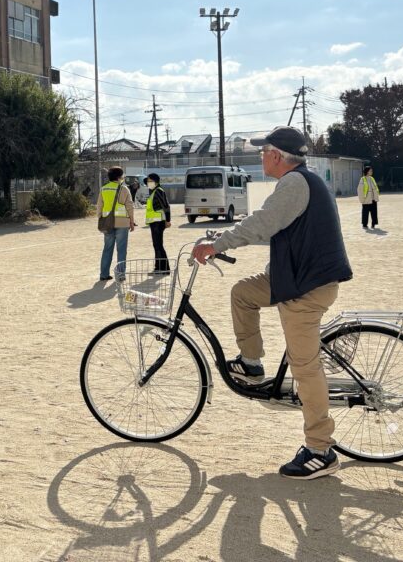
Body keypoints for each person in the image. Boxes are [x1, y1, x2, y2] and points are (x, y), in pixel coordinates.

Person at [192, 126, 353, 480]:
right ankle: (251, 363)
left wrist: (217, 245)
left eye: (264, 152)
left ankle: (320, 450)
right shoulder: (301, 181)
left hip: (306, 287)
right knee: (243, 293)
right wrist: (224, 239)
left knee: (304, 367)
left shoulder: (295, 183)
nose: (260, 156)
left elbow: (264, 223)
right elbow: (283, 230)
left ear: (277, 155)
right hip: (294, 278)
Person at [97, 166, 135, 282]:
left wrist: (101, 218)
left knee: (107, 248)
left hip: (107, 223)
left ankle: (104, 274)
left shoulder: (104, 189)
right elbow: (129, 206)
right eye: (122, 175)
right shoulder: (124, 189)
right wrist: (131, 221)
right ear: (119, 177)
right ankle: (120, 275)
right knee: (121, 250)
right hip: (122, 223)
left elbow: (99, 206)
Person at [144, 173, 171, 273]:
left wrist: (168, 220)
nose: (148, 182)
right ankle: (159, 267)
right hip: (154, 222)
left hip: (158, 222)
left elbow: (166, 206)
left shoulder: (159, 191)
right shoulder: (153, 191)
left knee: (158, 245)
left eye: (150, 180)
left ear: (156, 181)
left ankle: (163, 268)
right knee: (157, 245)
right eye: (148, 181)